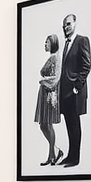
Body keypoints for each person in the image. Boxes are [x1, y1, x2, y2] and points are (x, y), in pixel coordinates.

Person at [57, 13, 91, 168]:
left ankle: (75, 158)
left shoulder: (82, 40)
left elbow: (86, 65)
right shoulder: (66, 44)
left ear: (75, 23)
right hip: (65, 92)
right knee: (69, 124)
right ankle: (70, 156)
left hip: (75, 92)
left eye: (68, 24)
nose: (66, 27)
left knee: (75, 124)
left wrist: (77, 86)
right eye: (64, 25)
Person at [34, 34, 62, 166]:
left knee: (47, 124)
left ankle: (53, 155)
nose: (45, 45)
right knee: (43, 125)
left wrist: (44, 80)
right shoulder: (52, 57)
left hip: (50, 93)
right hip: (45, 93)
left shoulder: (56, 57)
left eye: (47, 42)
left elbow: (57, 77)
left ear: (53, 43)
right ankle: (55, 152)